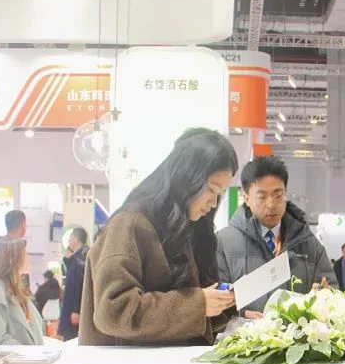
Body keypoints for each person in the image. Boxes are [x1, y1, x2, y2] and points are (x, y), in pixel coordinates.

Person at [79, 128, 238, 346]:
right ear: (187, 178)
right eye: (211, 190)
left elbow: (184, 307)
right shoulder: (129, 224)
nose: (213, 202)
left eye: (220, 194)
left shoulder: (184, 227)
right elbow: (114, 310)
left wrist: (227, 309)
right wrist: (198, 304)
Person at [217, 156, 337, 312]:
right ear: (246, 198)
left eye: (278, 195)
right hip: (246, 327)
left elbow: (332, 293)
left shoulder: (308, 243)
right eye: (261, 197)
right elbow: (216, 302)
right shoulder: (223, 243)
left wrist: (325, 297)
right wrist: (241, 315)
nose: (271, 204)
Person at [0, 237, 44, 346]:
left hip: (28, 355)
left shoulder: (16, 291)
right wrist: (29, 353)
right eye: (24, 254)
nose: (28, 258)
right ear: (12, 259)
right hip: (13, 356)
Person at [58, 226, 89, 341]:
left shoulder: (80, 260)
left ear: (76, 238)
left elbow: (80, 286)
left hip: (73, 310)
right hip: (71, 308)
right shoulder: (77, 259)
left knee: (72, 339)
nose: (69, 240)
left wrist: (76, 310)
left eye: (70, 237)